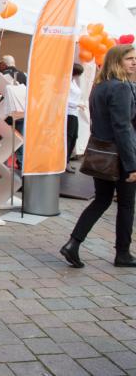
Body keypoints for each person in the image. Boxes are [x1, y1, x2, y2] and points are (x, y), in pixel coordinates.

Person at [60, 45, 136, 268]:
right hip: (120, 155)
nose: (134, 62)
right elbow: (122, 128)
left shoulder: (99, 86)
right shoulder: (121, 88)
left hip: (101, 153)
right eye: (129, 59)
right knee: (126, 205)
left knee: (101, 200)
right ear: (116, 61)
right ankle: (123, 253)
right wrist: (132, 165)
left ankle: (73, 243)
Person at [0, 54, 27, 168]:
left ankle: (2, 164)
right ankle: (21, 163)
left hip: (5, 113)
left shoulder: (1, 75)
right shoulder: (24, 75)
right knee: (19, 139)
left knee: (5, 140)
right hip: (20, 112)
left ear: (4, 64)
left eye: (0, 64)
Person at [65, 63, 85, 173]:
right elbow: (64, 98)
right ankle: (65, 162)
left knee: (74, 137)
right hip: (69, 113)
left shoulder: (73, 81)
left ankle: (66, 161)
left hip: (74, 113)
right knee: (69, 138)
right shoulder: (67, 82)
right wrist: (76, 104)